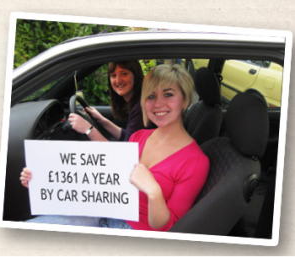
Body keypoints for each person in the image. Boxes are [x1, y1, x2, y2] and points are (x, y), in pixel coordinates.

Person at [20, 64, 210, 231]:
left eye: (168, 94)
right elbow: (108, 175)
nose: (158, 104)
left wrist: (154, 192)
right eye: (151, 96)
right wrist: (45, 180)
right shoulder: (138, 136)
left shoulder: (196, 162)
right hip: (102, 211)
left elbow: (168, 227)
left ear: (185, 100)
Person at [69, 60, 146, 142]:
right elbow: (129, 137)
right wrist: (102, 120)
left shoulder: (140, 108)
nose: (118, 80)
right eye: (113, 75)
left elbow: (124, 153)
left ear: (136, 75)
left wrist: (88, 129)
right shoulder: (136, 104)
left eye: (124, 74)